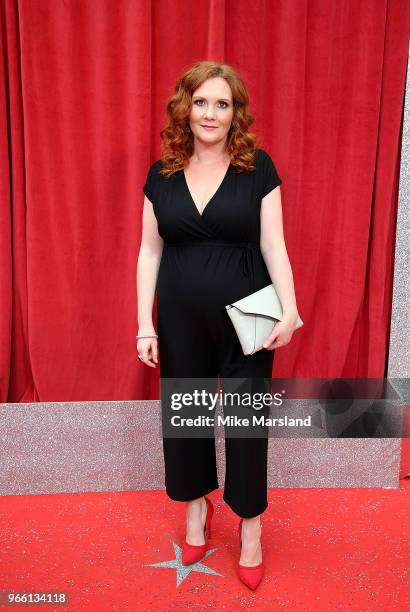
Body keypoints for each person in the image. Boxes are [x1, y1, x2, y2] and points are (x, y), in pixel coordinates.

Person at [136, 61, 300, 590]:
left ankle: (250, 530)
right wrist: (144, 323)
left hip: (251, 311)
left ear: (236, 114)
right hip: (180, 315)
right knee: (184, 419)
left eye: (222, 103)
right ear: (185, 108)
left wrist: (290, 309)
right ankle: (195, 512)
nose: (211, 113)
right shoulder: (161, 174)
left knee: (247, 425)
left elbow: (274, 244)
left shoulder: (259, 169)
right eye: (201, 101)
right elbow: (148, 251)